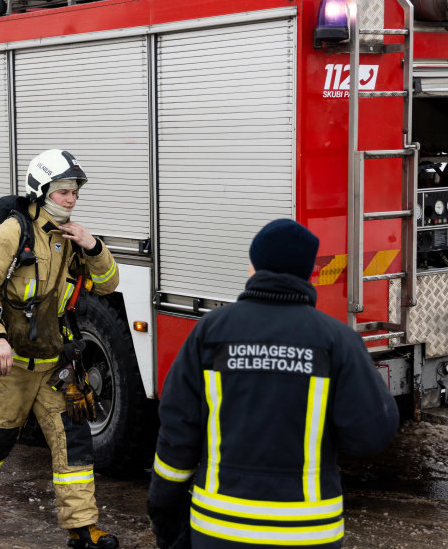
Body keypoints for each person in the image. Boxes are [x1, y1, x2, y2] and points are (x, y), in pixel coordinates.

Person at [147, 218, 400, 548]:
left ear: (255, 265)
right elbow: (372, 433)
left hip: (221, 528)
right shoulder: (338, 340)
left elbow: (177, 435)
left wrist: (163, 513)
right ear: (308, 273)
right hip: (309, 532)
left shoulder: (210, 332)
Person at [0, 149, 120, 549]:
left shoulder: (71, 238)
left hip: (54, 364)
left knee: (74, 443)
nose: (71, 199)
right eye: (64, 191)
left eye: (74, 192)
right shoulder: (13, 233)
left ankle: (82, 526)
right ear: (42, 189)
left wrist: (94, 245)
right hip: (10, 367)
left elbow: (108, 285)